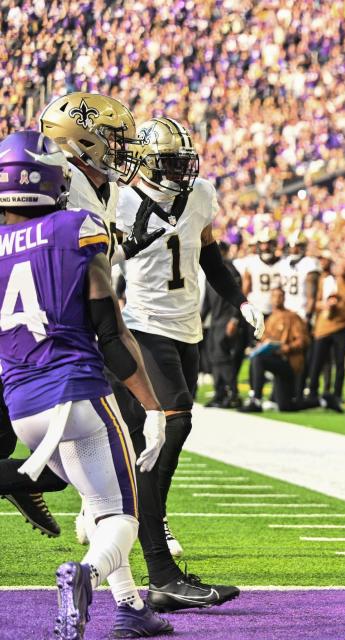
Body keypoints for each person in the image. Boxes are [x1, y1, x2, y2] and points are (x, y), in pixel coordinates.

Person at [40, 93, 241, 611]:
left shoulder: (100, 190)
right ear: (82, 143)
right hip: (90, 342)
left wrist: (240, 300)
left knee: (118, 467)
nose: (123, 152)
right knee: (142, 449)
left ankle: (134, 604)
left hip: (122, 336)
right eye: (114, 142)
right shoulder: (77, 196)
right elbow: (101, 301)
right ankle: (146, 573)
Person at [0, 131, 172, 638]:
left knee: (98, 505)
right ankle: (85, 577)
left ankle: (131, 608)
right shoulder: (76, 228)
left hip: (22, 406)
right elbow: (112, 336)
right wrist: (153, 407)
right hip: (76, 393)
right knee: (122, 516)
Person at [115, 116, 264, 566]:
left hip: (187, 325)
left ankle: (130, 508)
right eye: (170, 163)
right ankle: (150, 517)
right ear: (145, 163)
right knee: (174, 421)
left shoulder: (200, 193)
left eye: (184, 161)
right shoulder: (120, 202)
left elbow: (210, 254)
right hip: (144, 321)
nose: (182, 172)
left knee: (161, 429)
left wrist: (237, 299)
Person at [241, 288, 309, 413]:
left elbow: (303, 340)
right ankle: (322, 401)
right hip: (275, 361)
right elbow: (264, 341)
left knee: (258, 360)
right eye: (274, 296)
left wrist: (287, 348)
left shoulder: (292, 317)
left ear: (284, 298)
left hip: (287, 362)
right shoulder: (269, 319)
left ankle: (256, 400)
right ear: (270, 299)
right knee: (285, 406)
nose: (277, 299)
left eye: (280, 296)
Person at [305, 257, 345, 412]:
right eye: (339, 265)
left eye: (344, 266)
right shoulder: (325, 281)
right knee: (317, 361)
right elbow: (316, 302)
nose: (341, 269)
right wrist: (325, 305)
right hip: (323, 327)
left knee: (339, 363)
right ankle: (312, 392)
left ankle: (336, 394)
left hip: (342, 326)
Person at [202, 242, 245, 409]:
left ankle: (233, 393)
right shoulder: (211, 271)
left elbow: (238, 296)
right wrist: (200, 318)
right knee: (214, 357)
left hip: (226, 319)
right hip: (215, 320)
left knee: (223, 358)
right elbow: (207, 301)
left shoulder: (230, 271)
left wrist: (234, 319)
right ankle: (219, 393)